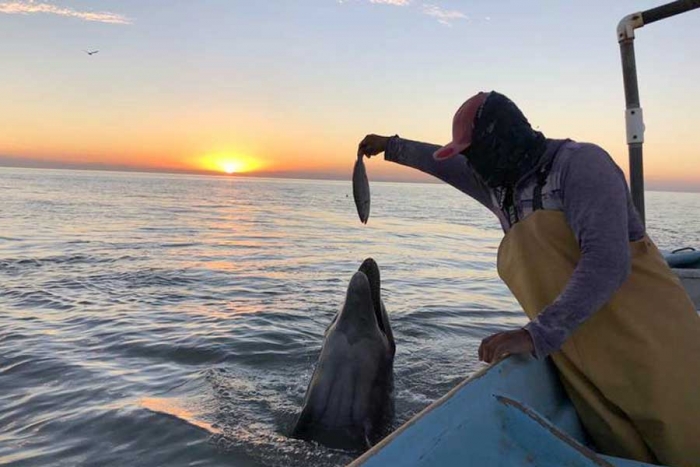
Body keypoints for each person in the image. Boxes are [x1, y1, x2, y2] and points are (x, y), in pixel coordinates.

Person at [357, 91, 700, 467]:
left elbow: (607, 262)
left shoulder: (581, 165)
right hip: (583, 354)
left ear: (501, 142)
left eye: (475, 153)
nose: (472, 165)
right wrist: (391, 146)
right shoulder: (500, 187)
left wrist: (534, 334)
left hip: (655, 342)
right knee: (625, 449)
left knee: (686, 440)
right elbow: (445, 166)